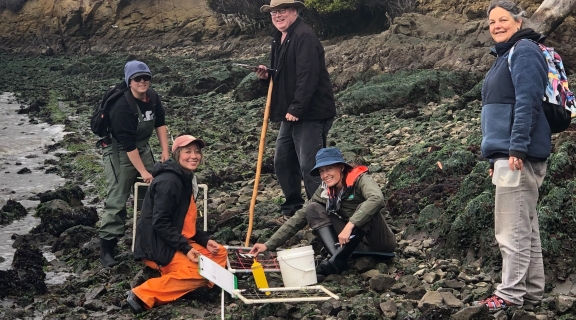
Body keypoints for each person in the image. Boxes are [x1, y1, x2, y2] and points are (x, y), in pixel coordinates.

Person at [478, 0, 550, 310]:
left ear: (519, 22)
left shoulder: (524, 51)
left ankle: (509, 295)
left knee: (511, 228)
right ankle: (532, 292)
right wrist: (495, 157)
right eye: (492, 21)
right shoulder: (505, 55)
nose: (496, 25)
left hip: (517, 153)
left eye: (503, 19)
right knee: (526, 226)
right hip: (506, 153)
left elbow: (528, 101)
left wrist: (516, 148)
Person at [249, 147, 396, 275]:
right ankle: (338, 258)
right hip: (354, 244)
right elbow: (299, 217)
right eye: (321, 171)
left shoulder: (361, 179)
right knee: (312, 208)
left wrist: (350, 225)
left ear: (341, 167)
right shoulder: (325, 190)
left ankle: (338, 257)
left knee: (364, 206)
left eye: (329, 169)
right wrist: (268, 244)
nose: (325, 175)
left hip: (380, 241)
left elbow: (377, 199)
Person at [256, 0, 336, 224]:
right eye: (274, 12)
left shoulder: (304, 36)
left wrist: (297, 108)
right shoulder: (279, 38)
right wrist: (267, 76)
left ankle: (320, 215)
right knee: (282, 161)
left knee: (310, 166)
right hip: (290, 113)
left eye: (282, 10)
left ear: (294, 11)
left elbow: (308, 77)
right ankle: (293, 210)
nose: (277, 15)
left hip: (312, 113)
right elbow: (283, 77)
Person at [127, 135, 228, 314]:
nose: (194, 156)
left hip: (175, 240)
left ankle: (195, 282)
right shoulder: (169, 181)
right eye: (187, 152)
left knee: (219, 252)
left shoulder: (185, 177)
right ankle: (141, 294)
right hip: (157, 245)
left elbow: (183, 220)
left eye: (197, 152)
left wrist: (204, 241)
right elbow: (160, 222)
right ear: (177, 155)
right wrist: (186, 248)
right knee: (200, 272)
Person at [99, 60, 170, 267]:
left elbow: (160, 123)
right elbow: (128, 145)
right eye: (137, 78)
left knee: (150, 195)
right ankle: (107, 248)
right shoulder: (122, 106)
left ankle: (148, 240)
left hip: (143, 147)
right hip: (119, 150)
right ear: (129, 81)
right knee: (117, 197)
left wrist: (165, 151)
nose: (142, 82)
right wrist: (142, 172)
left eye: (146, 78)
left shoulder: (153, 97)